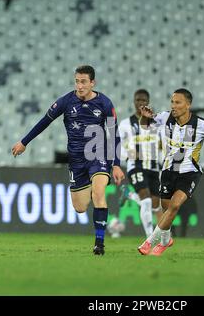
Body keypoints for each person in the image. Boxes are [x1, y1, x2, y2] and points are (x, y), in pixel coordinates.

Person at [11, 65, 125, 255]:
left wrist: (116, 165)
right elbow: (44, 121)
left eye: (83, 82)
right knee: (80, 207)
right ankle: (101, 208)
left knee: (98, 193)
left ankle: (99, 243)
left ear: (92, 83)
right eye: (77, 81)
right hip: (76, 160)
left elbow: (114, 135)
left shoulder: (105, 103)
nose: (79, 86)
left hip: (98, 157)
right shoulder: (66, 101)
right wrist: (24, 142)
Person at [137, 88, 204, 256]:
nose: (173, 105)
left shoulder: (202, 124)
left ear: (188, 105)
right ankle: (166, 241)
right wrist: (144, 115)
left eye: (178, 102)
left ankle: (149, 242)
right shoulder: (165, 117)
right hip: (168, 171)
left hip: (190, 172)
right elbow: (144, 126)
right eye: (172, 102)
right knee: (167, 211)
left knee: (174, 205)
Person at [118, 89, 163, 239]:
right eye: (138, 100)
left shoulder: (156, 123)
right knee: (147, 201)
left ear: (148, 102)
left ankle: (129, 194)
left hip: (153, 167)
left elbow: (161, 145)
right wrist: (129, 154)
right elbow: (118, 148)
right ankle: (149, 240)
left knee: (155, 205)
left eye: (144, 100)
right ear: (134, 101)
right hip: (135, 165)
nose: (141, 103)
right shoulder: (125, 124)